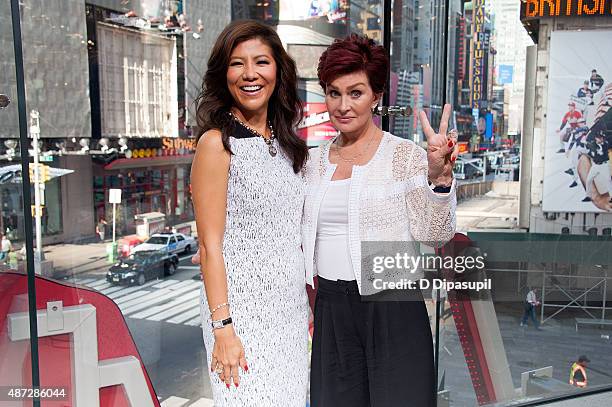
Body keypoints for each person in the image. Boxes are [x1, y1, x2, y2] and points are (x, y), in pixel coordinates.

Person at [302, 34, 457, 407]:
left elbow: (434, 233)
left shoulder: (404, 156)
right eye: (333, 92)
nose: (343, 105)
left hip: (392, 302)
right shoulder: (312, 162)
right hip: (332, 306)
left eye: (355, 92)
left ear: (376, 95)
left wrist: (439, 179)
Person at [190, 20, 309, 406]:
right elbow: (209, 248)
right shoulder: (216, 144)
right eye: (237, 64)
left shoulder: (288, 144)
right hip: (241, 323)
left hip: (290, 317)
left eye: (261, 61)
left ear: (278, 70)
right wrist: (223, 329)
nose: (250, 74)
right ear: (223, 74)